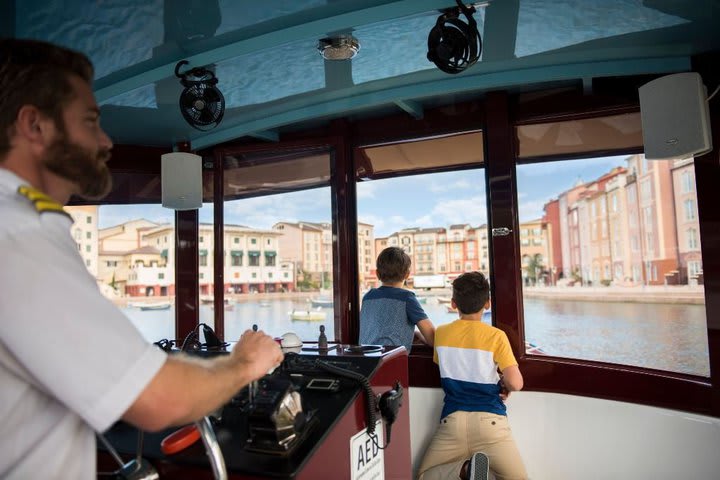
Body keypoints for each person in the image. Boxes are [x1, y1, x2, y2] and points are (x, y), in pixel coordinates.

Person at [0, 38, 284, 479]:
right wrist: (247, 363)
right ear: (35, 125)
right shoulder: (19, 231)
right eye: (91, 122)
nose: (106, 140)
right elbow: (159, 401)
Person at [418, 271, 527, 480]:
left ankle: (465, 471)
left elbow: (443, 353)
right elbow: (516, 382)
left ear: (453, 304)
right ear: (488, 304)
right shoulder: (496, 336)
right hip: (491, 422)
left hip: (452, 423)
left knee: (424, 475)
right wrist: (503, 382)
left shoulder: (442, 333)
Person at [359, 246, 435, 352]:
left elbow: (380, 328)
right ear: (407, 275)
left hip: (365, 362)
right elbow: (432, 338)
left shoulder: (368, 297)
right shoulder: (406, 298)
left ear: (377, 274)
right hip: (390, 363)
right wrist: (419, 335)